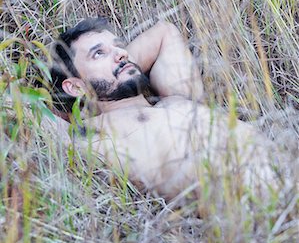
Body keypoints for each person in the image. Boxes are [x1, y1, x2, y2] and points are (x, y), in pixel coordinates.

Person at [49, 17, 286, 202]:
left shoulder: (177, 99)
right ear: (74, 86)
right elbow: (17, 105)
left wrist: (115, 65)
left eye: (119, 46)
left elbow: (164, 32)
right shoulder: (93, 135)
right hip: (263, 204)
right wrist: (91, 94)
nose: (121, 53)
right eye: (98, 53)